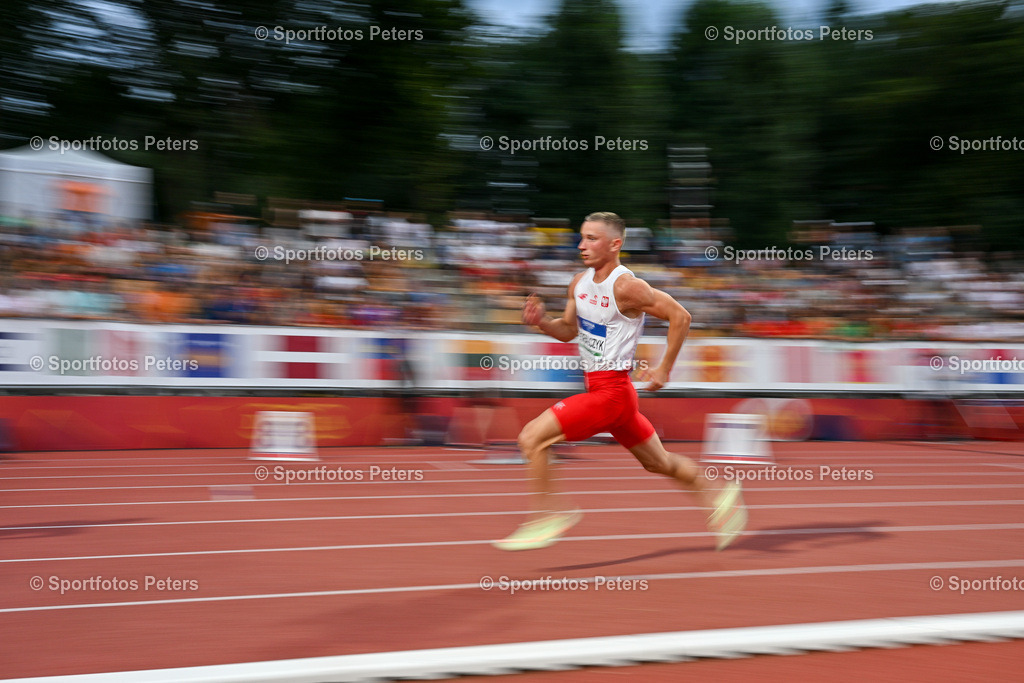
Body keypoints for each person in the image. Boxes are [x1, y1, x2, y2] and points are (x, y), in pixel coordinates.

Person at [493, 212, 746, 551]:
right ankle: (719, 493)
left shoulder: (626, 286)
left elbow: (680, 316)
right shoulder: (579, 283)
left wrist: (663, 369)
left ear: (615, 244)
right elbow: (569, 330)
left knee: (531, 439)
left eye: (592, 239)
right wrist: (542, 323)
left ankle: (550, 513)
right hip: (610, 396)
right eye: (581, 238)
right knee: (659, 463)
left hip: (611, 393)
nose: (582, 245)